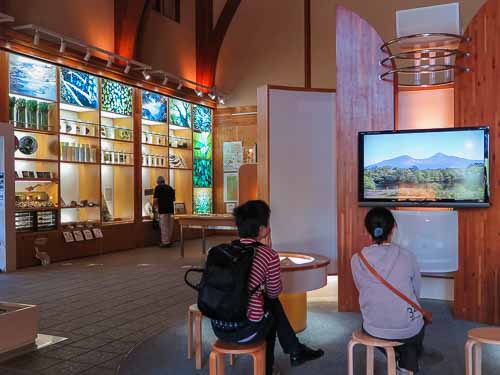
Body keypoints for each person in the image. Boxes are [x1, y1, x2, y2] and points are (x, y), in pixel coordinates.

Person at [211, 200, 324, 375]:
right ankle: (272, 366)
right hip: (245, 331)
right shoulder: (268, 254)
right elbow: (274, 292)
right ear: (263, 229)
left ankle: (295, 350)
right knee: (271, 311)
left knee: (268, 305)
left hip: (219, 325)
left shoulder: (225, 250)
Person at [351, 207, 425, 374]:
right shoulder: (408, 256)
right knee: (418, 325)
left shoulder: (356, 260)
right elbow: (416, 293)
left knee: (379, 327)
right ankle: (406, 364)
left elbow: (361, 289)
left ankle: (398, 357)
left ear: (367, 231)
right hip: (408, 327)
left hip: (373, 327)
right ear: (393, 229)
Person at [153, 176, 175, 247]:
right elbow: (174, 199)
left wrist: (154, 208)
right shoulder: (170, 188)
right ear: (164, 181)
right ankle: (169, 240)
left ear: (158, 182)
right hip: (171, 210)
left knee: (163, 226)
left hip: (163, 210)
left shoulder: (158, 188)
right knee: (170, 226)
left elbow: (155, 200)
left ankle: (165, 242)